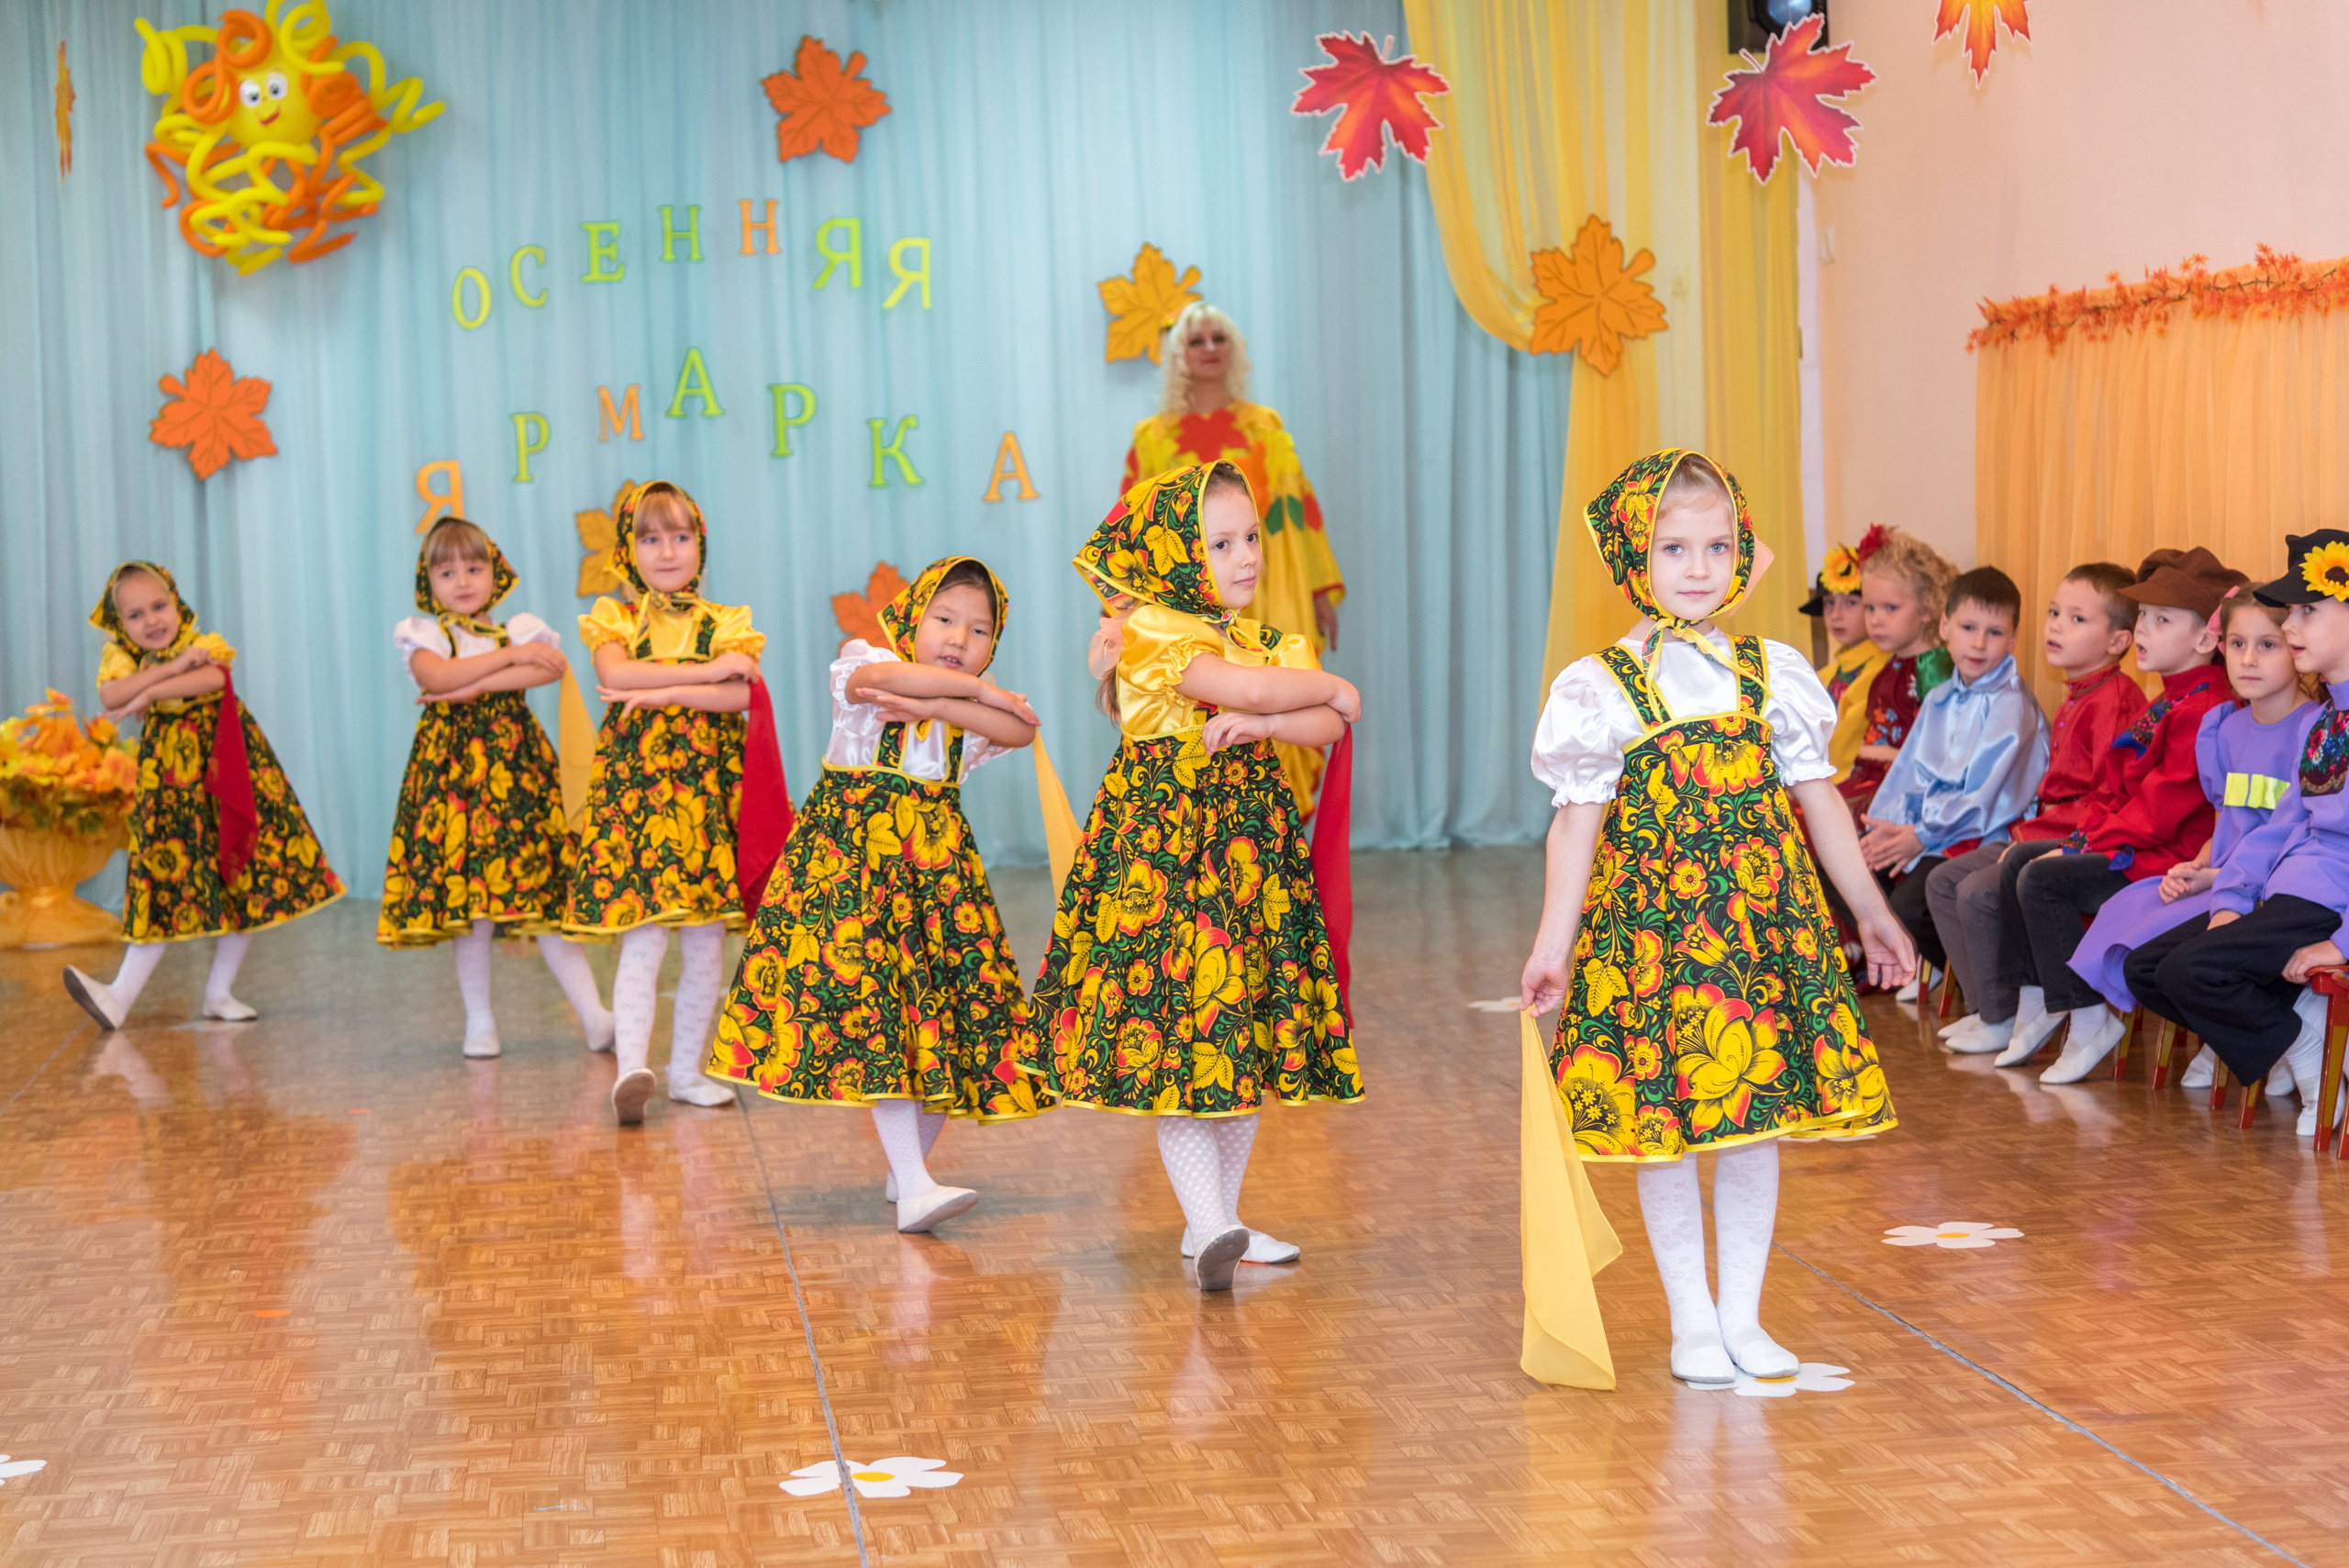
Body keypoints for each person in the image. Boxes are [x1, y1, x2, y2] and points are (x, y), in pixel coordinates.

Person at [1519, 449, 1909, 1387]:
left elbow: (1821, 804)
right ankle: (1691, 1322)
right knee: (1670, 1121)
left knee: (1752, 1120)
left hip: (1761, 933)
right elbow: (1576, 825)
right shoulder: (1599, 685)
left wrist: (1870, 913)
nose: (1697, 566)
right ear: (1630, 559)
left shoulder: (1771, 673)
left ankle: (1743, 1313)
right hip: (1652, 938)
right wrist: (1550, 945)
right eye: (1671, 547)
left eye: (1717, 544)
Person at [1020, 462, 1362, 1293]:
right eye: (1219, 542)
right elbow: (1296, 695)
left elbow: (1322, 724)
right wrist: (1328, 688)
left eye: (1251, 537)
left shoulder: (1263, 638)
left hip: (1247, 861)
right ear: (1175, 553)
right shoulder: (1155, 635)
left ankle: (1220, 1220)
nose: (1245, 556)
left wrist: (1271, 718)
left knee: (1238, 1035)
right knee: (1185, 1034)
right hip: (1163, 861)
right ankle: (1210, 1223)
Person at [707, 557, 1051, 1234]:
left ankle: (908, 1172)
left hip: (939, 887)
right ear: (911, 616)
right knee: (882, 1022)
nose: (959, 639)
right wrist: (985, 697)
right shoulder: (861, 659)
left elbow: (1024, 728)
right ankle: (916, 1182)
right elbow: (880, 680)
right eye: (944, 619)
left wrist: (947, 704)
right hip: (855, 876)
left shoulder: (958, 714)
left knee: (951, 1024)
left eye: (980, 631)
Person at [1981, 548, 2243, 1080]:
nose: (2143, 629)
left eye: (2161, 620)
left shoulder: (2203, 709)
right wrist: (2084, 836)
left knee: (2045, 878)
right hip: (2136, 843)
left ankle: (2087, 1013)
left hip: (2160, 858)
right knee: (2021, 862)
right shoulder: (2169, 699)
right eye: (2143, 616)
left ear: (2205, 640)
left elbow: (2156, 815)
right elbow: (2118, 793)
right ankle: (2037, 1002)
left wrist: (2083, 843)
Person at [563, 481, 777, 1126]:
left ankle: (686, 1069)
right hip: (641, 803)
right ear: (629, 551)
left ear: (700, 546)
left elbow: (744, 696)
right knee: (647, 933)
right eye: (650, 538)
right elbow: (616, 674)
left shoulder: (727, 619)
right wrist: (707, 672)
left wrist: (663, 695)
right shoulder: (617, 618)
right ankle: (633, 1064)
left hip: (707, 801)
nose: (666, 550)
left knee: (707, 942)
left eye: (680, 536)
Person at [2128, 531, 2349, 1132]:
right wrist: (2230, 898)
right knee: (2147, 967)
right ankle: (2292, 1026)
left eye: (2308, 610)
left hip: (2327, 899)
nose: (2293, 624)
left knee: (2189, 971)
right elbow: (2277, 827)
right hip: (2284, 889)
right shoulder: (2329, 717)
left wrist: (2344, 942)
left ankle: (2301, 1047)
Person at [61, 562, 342, 1029]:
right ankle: (120, 995)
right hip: (171, 784)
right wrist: (165, 673)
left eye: (159, 606)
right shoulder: (122, 656)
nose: (152, 621)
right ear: (118, 624)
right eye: (135, 615)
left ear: (177, 603)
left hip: (225, 769)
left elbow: (213, 680)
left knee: (242, 873)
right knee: (163, 879)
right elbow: (112, 697)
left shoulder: (204, 643)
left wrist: (148, 693)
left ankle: (219, 992)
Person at [378, 517, 613, 1060]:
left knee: (547, 899)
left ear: (494, 572)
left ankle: (595, 1016)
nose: (463, 581)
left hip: (517, 780)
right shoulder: (425, 633)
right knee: (473, 913)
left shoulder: (522, 628)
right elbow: (435, 678)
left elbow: (548, 670)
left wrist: (477, 681)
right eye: (447, 571)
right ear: (428, 580)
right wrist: (506, 660)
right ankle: (479, 1022)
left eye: (475, 567)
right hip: (454, 784)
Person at [2068, 591, 2312, 1095]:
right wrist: (2201, 867)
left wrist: (2224, 880)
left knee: (2177, 964)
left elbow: (2293, 831)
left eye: (2267, 645)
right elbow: (2226, 819)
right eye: (2237, 643)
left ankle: (2281, 1038)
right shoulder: (2224, 728)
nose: (2247, 659)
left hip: (2268, 884)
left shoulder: (2312, 728)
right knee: (2139, 964)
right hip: (2222, 876)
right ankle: (2234, 1037)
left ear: (2297, 647)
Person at [1123, 302, 1343, 817]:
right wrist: (1125, 605)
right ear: (1178, 352)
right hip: (1186, 609)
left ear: (1234, 349)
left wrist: (1315, 591)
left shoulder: (1264, 426)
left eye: (1218, 338)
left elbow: (1297, 514)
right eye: (1196, 340)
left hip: (1265, 590)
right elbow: (1138, 530)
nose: (1208, 349)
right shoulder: (1150, 438)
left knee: (1283, 699)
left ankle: (1281, 842)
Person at [1933, 563, 2143, 1048]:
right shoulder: (2077, 695)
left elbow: (2107, 799)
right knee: (1945, 882)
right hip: (2045, 827)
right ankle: (1994, 1010)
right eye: (2053, 613)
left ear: (2117, 641)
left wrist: (2049, 842)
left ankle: (2009, 1015)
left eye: (2076, 619)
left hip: (2074, 835)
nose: (2055, 626)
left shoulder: (2114, 701)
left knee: (1977, 891)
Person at [1855, 567, 2047, 978]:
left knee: (1906, 907)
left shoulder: (2011, 707)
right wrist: (1888, 830)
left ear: (2013, 638)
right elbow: (1908, 774)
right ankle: (1945, 966)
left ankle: (1980, 979)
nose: (1978, 643)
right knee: (1851, 870)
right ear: (1945, 627)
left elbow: (1983, 802)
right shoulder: (1941, 696)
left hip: (1983, 834)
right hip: (1931, 829)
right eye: (1967, 627)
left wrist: (1919, 836)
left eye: (1994, 632)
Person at [1837, 529, 1955, 815]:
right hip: (1869, 780)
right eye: (1870, 608)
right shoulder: (1891, 664)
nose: (1876, 620)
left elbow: (1939, 752)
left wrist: (1879, 755)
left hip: (1902, 790)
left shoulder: (1934, 667)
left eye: (1890, 608)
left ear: (1927, 607)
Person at [1802, 537, 1888, 784]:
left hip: (1860, 783)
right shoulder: (1825, 675)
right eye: (1829, 603)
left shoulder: (1881, 670)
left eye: (1851, 603)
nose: (1836, 615)